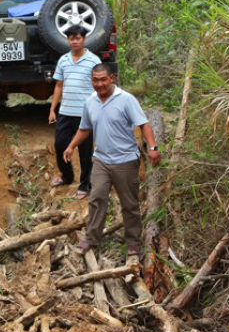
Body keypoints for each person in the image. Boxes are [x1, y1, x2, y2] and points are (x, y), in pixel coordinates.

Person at [63, 64, 161, 266]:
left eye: (102, 79)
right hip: (101, 160)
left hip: (125, 160)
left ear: (111, 78)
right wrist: (71, 146)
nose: (99, 84)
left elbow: (144, 124)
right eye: (95, 80)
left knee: (129, 204)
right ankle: (91, 238)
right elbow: (84, 128)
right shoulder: (90, 102)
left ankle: (133, 244)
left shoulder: (126, 100)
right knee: (97, 197)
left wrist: (152, 147)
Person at [49, 25, 102, 201]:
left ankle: (85, 185)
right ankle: (66, 176)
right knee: (60, 145)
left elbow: (99, 86)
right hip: (65, 112)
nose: (75, 41)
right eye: (71, 38)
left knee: (85, 152)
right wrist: (52, 109)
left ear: (83, 39)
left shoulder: (93, 60)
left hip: (85, 114)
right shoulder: (63, 60)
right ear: (68, 40)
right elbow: (58, 86)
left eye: (78, 38)